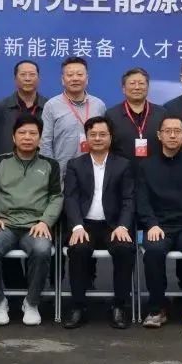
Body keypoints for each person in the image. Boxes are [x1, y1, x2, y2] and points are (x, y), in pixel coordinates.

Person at [0, 115, 63, 326]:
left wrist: (45, 221)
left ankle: (32, 303)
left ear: (40, 138)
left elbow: (56, 197)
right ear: (13, 137)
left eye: (33, 133)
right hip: (4, 224)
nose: (27, 137)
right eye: (22, 133)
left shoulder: (50, 165)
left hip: (35, 225)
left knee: (42, 250)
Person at [137, 114, 182, 329]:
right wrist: (151, 224)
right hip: (158, 227)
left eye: (177, 131)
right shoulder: (146, 165)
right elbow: (142, 200)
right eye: (167, 131)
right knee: (153, 251)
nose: (172, 135)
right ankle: (156, 309)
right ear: (159, 135)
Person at [62, 117, 136, 329]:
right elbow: (70, 198)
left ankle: (119, 305)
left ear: (110, 138)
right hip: (85, 225)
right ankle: (78, 306)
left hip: (113, 226)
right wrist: (77, 226)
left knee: (124, 249)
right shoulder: (75, 164)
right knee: (78, 249)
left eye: (102, 134)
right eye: (92, 134)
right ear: (86, 138)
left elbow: (129, 199)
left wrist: (123, 226)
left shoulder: (123, 165)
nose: (97, 138)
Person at [40, 56, 107, 172]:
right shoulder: (51, 105)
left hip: (95, 172)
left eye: (80, 74)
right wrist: (51, 172)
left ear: (87, 79)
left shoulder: (99, 105)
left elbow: (107, 140)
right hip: (62, 172)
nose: (75, 78)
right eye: (70, 75)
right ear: (63, 79)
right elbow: (45, 143)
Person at [105, 67, 165, 162]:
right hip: (122, 170)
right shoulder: (111, 115)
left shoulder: (162, 113)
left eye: (141, 83)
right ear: (123, 89)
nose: (137, 87)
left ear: (148, 87)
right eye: (132, 83)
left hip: (155, 169)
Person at [0, 60, 48, 155]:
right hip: (8, 162)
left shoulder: (49, 107)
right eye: (23, 74)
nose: (27, 79)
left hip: (42, 162)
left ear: (38, 79)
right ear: (15, 79)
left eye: (32, 74)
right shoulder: (0, 108)